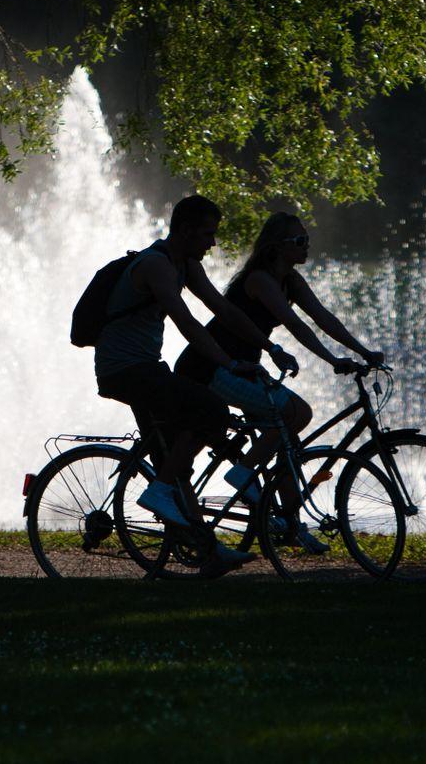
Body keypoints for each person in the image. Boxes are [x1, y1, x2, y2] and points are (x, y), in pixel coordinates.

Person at [94, 194, 301, 574]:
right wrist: (228, 363)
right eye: (208, 233)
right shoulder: (156, 265)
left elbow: (223, 310)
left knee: (177, 455)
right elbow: (186, 322)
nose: (213, 242)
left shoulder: (185, 264)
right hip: (125, 370)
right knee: (210, 410)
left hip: (146, 368)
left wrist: (268, 346)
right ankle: (159, 491)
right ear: (185, 230)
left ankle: (206, 550)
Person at [173, 212, 384, 552]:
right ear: (276, 247)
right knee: (297, 413)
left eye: (307, 241)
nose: (306, 247)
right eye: (299, 242)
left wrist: (363, 352)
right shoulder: (259, 280)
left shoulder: (292, 280)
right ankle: (241, 474)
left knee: (288, 445)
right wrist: (333, 361)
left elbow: (323, 318)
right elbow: (296, 325)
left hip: (242, 368)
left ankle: (291, 525)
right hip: (213, 368)